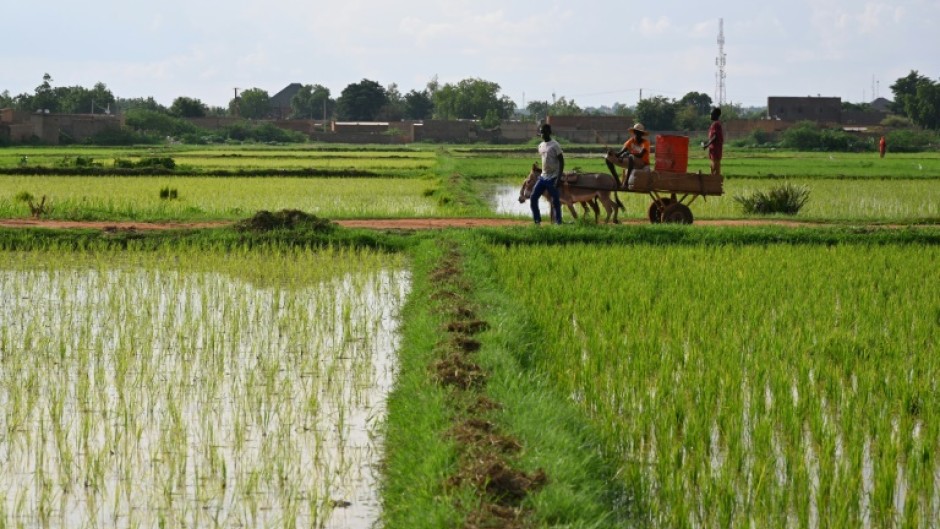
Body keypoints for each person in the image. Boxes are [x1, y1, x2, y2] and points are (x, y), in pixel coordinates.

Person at [531, 123, 564, 225]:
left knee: (555, 201)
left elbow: (562, 162)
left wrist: (558, 179)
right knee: (533, 197)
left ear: (549, 132)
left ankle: (558, 223)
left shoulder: (555, 145)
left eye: (544, 132)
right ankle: (537, 221)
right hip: (543, 177)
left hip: (553, 178)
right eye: (541, 132)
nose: (542, 134)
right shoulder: (540, 146)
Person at [606, 123, 651, 187]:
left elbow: (640, 155)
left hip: (642, 164)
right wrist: (613, 153)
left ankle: (626, 183)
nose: (637, 134)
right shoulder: (631, 141)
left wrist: (629, 153)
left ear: (642, 134)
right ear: (634, 132)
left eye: (639, 133)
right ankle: (617, 182)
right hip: (631, 162)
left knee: (631, 156)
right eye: (636, 132)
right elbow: (620, 153)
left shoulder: (645, 142)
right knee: (608, 158)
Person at [702, 107, 723, 176]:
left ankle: (715, 184)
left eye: (711, 114)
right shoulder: (714, 124)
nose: (710, 115)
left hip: (716, 150)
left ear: (716, 115)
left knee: (715, 169)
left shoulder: (716, 124)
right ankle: (713, 184)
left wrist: (707, 145)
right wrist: (707, 143)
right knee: (713, 168)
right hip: (713, 150)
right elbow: (713, 137)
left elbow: (715, 137)